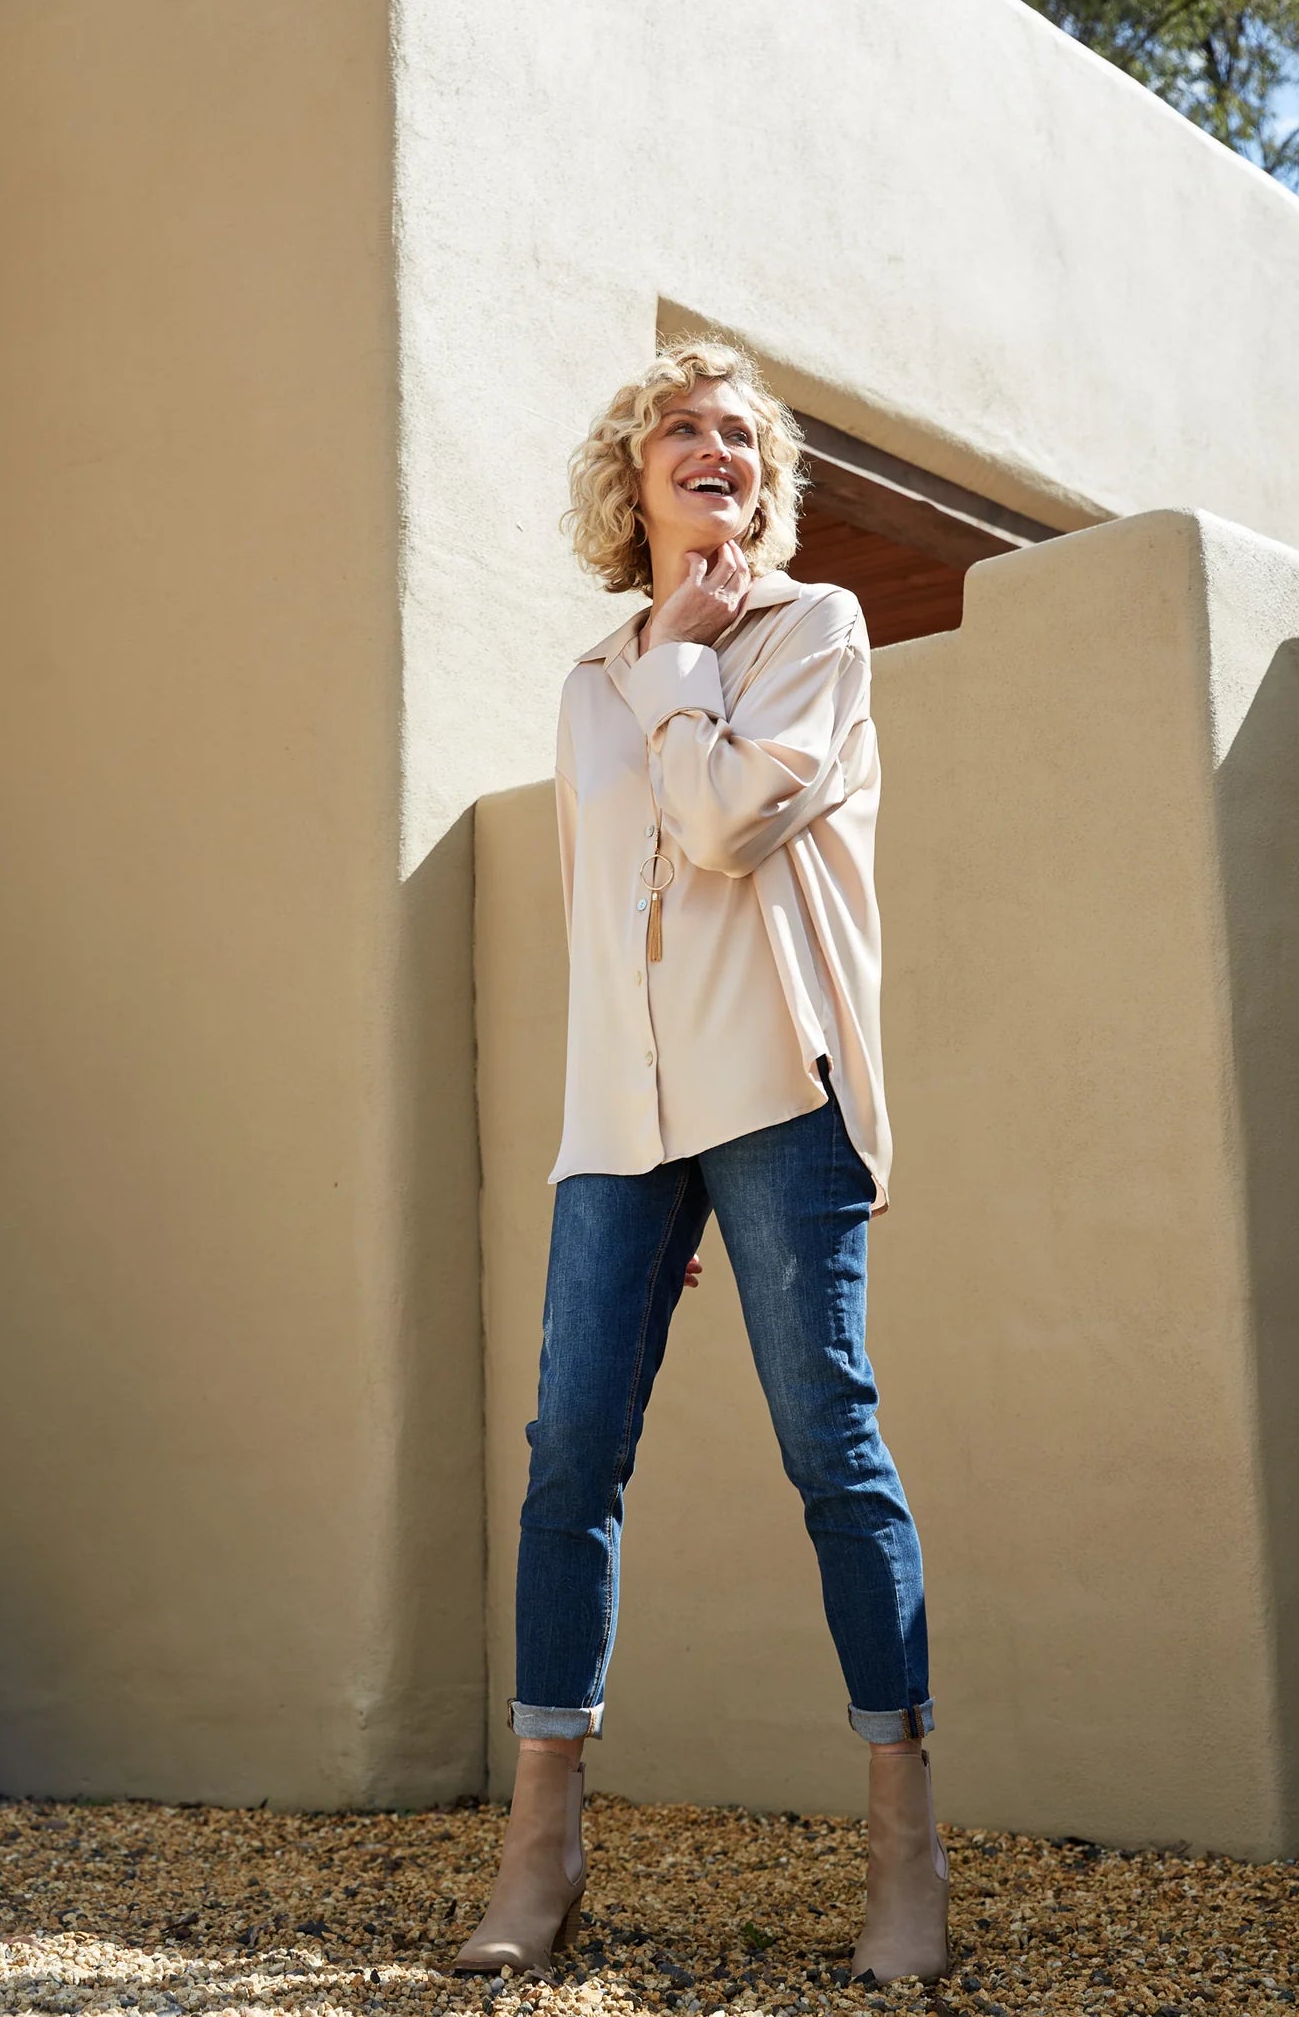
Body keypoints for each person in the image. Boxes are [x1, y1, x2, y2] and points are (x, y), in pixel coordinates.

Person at [452, 341, 949, 1988]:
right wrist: (657, 661)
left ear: (764, 480)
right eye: (681, 425)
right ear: (635, 471)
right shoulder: (589, 681)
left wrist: (683, 664)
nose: (713, 445)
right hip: (621, 1119)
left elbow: (731, 825)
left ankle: (906, 1848)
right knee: (567, 1461)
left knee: (832, 1448)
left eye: (741, 431)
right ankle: (541, 1853)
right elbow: (604, 913)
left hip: (777, 1090)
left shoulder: (816, 630)